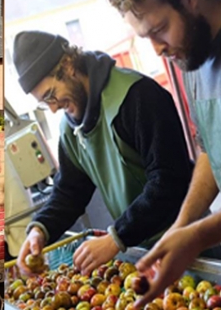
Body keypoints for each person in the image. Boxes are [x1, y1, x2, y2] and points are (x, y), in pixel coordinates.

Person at [12, 30, 195, 278]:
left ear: (68, 65)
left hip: (188, 242)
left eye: (51, 95)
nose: (53, 109)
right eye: (45, 103)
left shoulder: (139, 96)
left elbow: (169, 181)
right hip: (138, 252)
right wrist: (39, 230)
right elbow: (69, 192)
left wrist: (115, 238)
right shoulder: (70, 127)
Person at [107, 0, 221, 307]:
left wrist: (197, 236)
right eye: (147, 37)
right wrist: (181, 226)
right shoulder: (195, 59)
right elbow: (208, 151)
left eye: (159, 29)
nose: (157, 49)